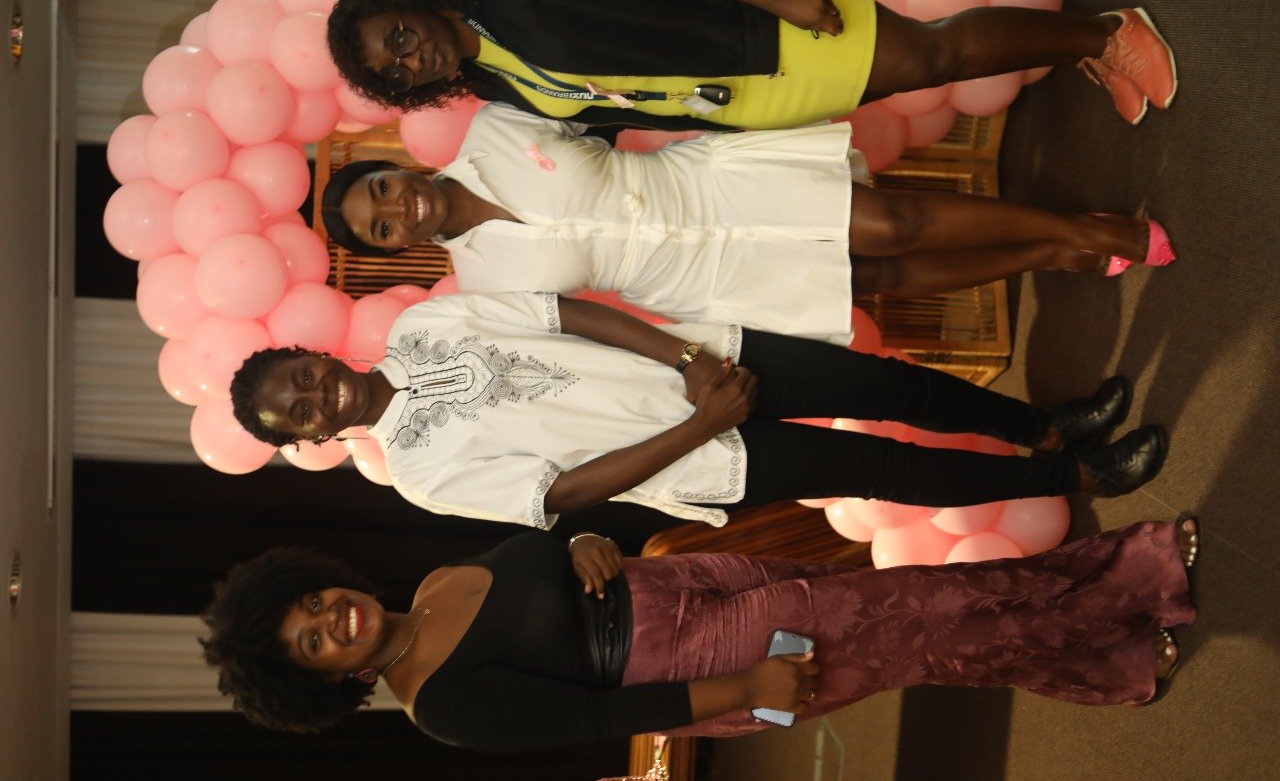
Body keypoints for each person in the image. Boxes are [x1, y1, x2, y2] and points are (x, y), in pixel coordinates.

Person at [200, 518, 1199, 748]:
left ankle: (1110, 659)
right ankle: (1138, 575)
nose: (331, 620)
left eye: (310, 605)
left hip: (691, 579)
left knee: (927, 627)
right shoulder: (441, 704)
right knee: (931, 614)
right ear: (328, 682)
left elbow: (555, 553)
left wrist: (584, 539)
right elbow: (597, 718)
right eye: (314, 644)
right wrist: (746, 691)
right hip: (704, 662)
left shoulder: (432, 582)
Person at [228, 291, 1165, 528]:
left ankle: (1048, 424)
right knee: (884, 468)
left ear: (313, 354)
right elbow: (560, 494)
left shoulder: (424, 323)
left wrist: (689, 363)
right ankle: (1074, 475)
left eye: (299, 376)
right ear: (312, 440)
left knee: (888, 385)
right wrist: (700, 425)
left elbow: (563, 314)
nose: (313, 395)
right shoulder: (420, 476)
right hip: (708, 456)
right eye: (297, 413)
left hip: (710, 359)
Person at [320, 104, 1172, 341]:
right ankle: (1048, 250)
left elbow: (613, 103)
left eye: (382, 190)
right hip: (692, 282)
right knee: (875, 278)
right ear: (396, 251)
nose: (397, 210)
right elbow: (583, 324)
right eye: (382, 228)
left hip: (705, 187)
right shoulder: (482, 284)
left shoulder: (493, 128)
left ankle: (1081, 229)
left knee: (893, 222)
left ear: (397, 167)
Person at [326, 0, 1175, 129]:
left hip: (756, 20)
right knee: (921, 68)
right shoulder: (488, 78)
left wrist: (777, 0)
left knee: (934, 52)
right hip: (740, 92)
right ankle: (1084, 46)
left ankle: (1104, 34)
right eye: (393, 72)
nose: (410, 58)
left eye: (395, 36)